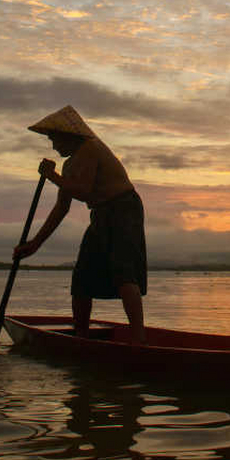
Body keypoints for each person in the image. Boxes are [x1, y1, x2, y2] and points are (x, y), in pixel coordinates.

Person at [13, 106, 147, 344]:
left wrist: (51, 176)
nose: (54, 146)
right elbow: (61, 208)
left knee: (123, 271)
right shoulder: (69, 165)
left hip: (124, 210)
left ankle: (138, 339)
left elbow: (83, 192)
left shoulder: (90, 148)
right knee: (82, 278)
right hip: (101, 214)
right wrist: (35, 243)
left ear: (68, 135)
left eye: (54, 138)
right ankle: (82, 337)